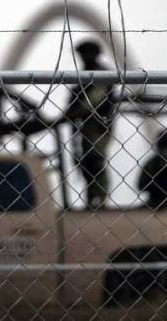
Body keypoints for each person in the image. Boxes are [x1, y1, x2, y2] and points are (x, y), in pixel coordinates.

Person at [66, 40, 117, 209]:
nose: (84, 58)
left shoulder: (103, 74)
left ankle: (101, 200)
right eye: (82, 54)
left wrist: (74, 112)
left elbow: (94, 100)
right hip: (85, 127)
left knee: (96, 160)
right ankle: (90, 199)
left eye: (87, 54)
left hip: (99, 125)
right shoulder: (83, 75)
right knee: (86, 162)